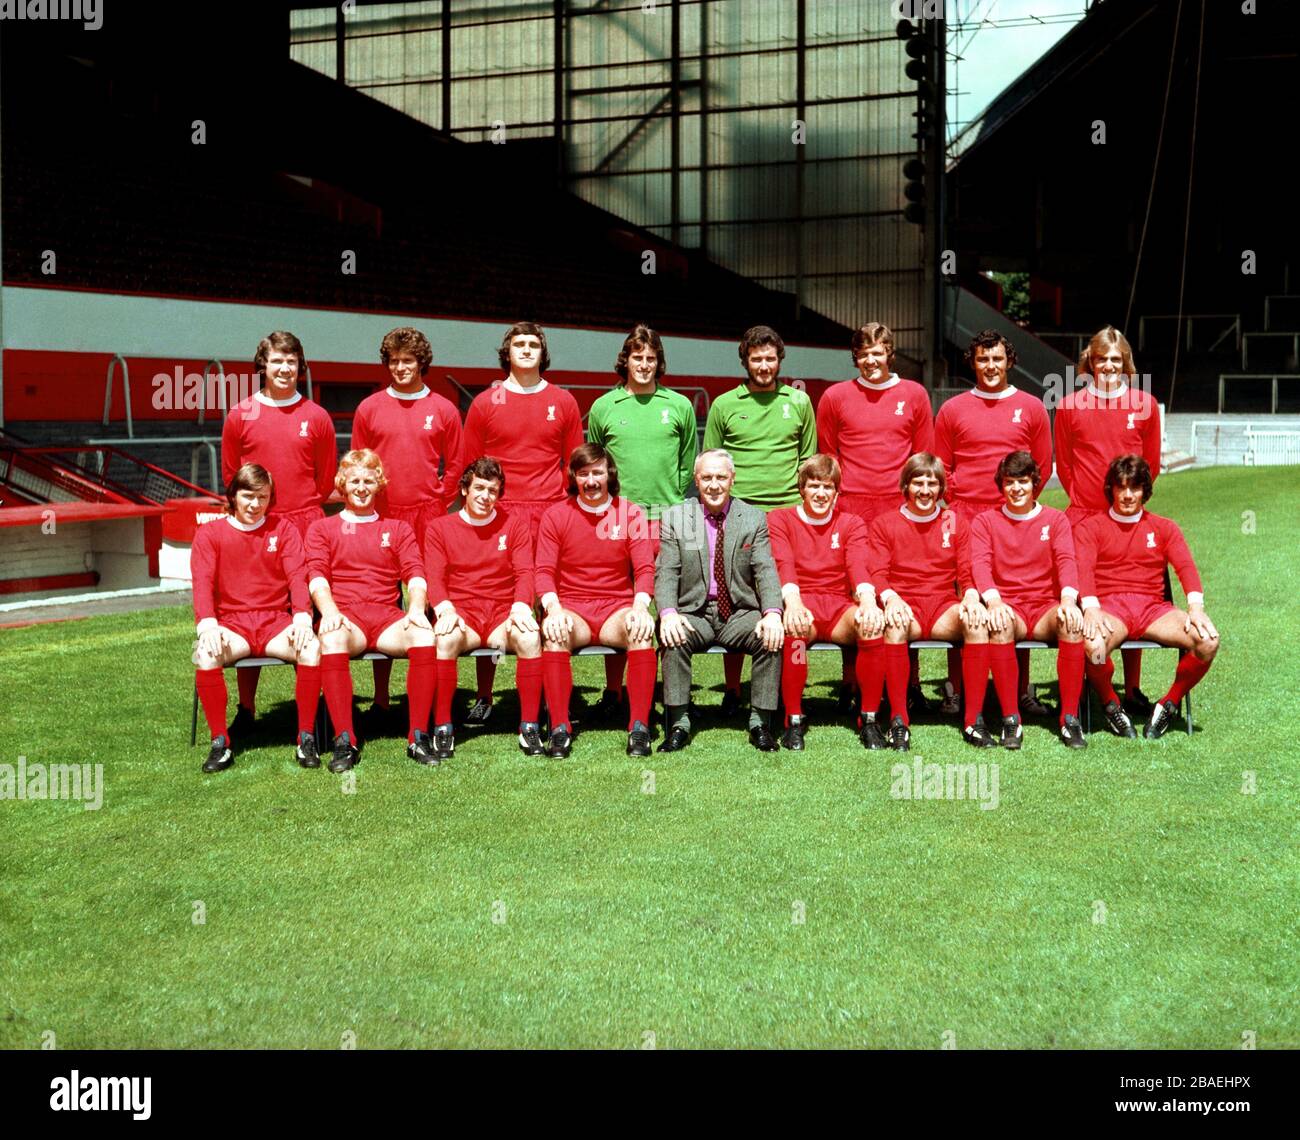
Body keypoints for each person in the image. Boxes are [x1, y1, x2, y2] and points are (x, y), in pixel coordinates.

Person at [457, 321, 583, 724]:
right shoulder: (485, 402)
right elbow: (470, 463)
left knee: (549, 600)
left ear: (542, 353)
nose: (526, 350)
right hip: (502, 513)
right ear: (507, 352)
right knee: (494, 599)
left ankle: (550, 692)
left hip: (548, 512)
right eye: (519, 344)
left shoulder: (562, 401)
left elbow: (574, 464)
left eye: (533, 344)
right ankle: (484, 694)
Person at [816, 321, 936, 713]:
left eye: (878, 352)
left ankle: (911, 682)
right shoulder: (835, 397)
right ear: (856, 357)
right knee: (856, 589)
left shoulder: (915, 395)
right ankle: (853, 682)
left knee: (904, 588)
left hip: (899, 509)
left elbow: (923, 458)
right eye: (864, 353)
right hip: (852, 506)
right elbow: (828, 456)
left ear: (890, 354)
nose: (871, 360)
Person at [220, 330, 337, 734]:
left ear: (300, 367)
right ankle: (247, 709)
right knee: (249, 607)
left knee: (311, 613)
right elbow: (232, 477)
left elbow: (325, 481)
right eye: (277, 361)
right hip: (257, 526)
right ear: (262, 366)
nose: (284, 369)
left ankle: (317, 704)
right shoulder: (241, 415)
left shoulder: (317, 417)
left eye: (291, 362)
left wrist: (299, 510)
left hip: (306, 523)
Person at [935, 329, 1053, 719]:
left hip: (1014, 518)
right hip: (966, 518)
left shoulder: (1032, 407)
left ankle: (1020, 690)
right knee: (965, 598)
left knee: (1015, 596)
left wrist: (1019, 504)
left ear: (1009, 361)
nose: (990, 366)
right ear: (973, 362)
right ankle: (957, 690)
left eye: (997, 359)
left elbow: (1042, 466)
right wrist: (957, 502)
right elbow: (942, 466)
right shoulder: (953, 409)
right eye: (983, 359)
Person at [701, 325, 817, 711]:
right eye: (757, 359)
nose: (764, 365)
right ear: (745, 361)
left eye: (770, 358)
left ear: (779, 360)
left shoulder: (799, 403)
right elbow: (712, 463)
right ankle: (734, 689)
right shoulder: (724, 404)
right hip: (739, 514)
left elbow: (808, 462)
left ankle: (783, 691)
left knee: (782, 599)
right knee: (736, 598)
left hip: (785, 514)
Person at [351, 326, 464, 717]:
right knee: (383, 598)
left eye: (408, 361)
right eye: (394, 361)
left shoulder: (444, 409)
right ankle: (381, 697)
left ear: (422, 364)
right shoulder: (369, 408)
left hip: (427, 516)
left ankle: (431, 692)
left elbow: (458, 464)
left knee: (431, 599)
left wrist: (439, 497)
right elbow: (359, 466)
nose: (401, 367)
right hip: (381, 515)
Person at [586, 323, 698, 713]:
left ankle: (671, 691)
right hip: (616, 519)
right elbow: (596, 465)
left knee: (673, 604)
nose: (645, 364)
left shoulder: (680, 405)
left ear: (659, 362)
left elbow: (687, 465)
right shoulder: (604, 407)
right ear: (626, 360)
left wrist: (669, 498)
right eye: (638, 357)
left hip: (672, 517)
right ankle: (614, 690)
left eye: (651, 358)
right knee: (619, 599)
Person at [1055, 325, 1164, 717]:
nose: (1109, 367)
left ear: (1126, 364)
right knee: (1090, 601)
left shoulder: (1145, 405)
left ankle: (1131, 688)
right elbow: (1065, 466)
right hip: (1084, 517)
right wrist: (1087, 502)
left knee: (1135, 593)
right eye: (1102, 359)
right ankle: (1092, 676)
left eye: (1116, 360)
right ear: (1090, 362)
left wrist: (1127, 505)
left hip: (1130, 516)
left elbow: (1150, 464)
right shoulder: (1068, 406)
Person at [305, 450, 435, 772]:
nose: (362, 487)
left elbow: (416, 573)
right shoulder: (323, 529)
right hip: (348, 617)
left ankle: (417, 735)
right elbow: (317, 577)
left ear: (379, 484)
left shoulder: (398, 528)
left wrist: (417, 608)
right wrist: (330, 612)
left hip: (386, 617)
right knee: (332, 638)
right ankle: (344, 740)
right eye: (354, 481)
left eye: (369, 480)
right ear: (342, 485)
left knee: (423, 633)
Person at [190, 464, 321, 773]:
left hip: (275, 622)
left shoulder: (283, 529)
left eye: (263, 497)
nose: (255, 504)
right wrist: (207, 624)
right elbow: (202, 583)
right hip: (232, 625)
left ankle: (306, 737)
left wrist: (302, 618)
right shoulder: (210, 534)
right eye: (248, 496)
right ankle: (220, 742)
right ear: (233, 496)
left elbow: (297, 578)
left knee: (311, 648)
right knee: (206, 652)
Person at [1077, 455, 1219, 739]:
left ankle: (1168, 704)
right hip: (1111, 608)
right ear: (1111, 489)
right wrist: (1090, 609)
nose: (1128, 495)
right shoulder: (1090, 527)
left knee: (1208, 640)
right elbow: (1083, 571)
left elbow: (1186, 567)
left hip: (1153, 609)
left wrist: (1196, 608)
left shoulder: (1165, 527)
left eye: (1135, 488)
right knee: (1092, 645)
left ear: (1145, 490)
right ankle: (1111, 704)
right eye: (1121, 487)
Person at [655, 449, 785, 753]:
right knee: (673, 637)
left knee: (771, 637)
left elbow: (765, 569)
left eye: (721, 477)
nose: (714, 485)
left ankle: (760, 723)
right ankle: (678, 722)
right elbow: (666, 572)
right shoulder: (677, 517)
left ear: (732, 479)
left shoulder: (752, 518)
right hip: (693, 611)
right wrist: (669, 612)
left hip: (738, 612)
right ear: (697, 481)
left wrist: (773, 612)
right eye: (707, 478)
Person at [534, 443, 658, 759]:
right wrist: (553, 608)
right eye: (584, 473)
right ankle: (560, 727)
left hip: (616, 606)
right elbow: (544, 570)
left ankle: (639, 727)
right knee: (555, 632)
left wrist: (640, 606)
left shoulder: (630, 513)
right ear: (574, 477)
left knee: (641, 631)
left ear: (609, 475)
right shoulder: (556, 515)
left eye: (598, 473)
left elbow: (644, 567)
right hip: (572, 607)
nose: (591, 481)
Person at [424, 457, 543, 760]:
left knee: (529, 638)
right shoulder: (439, 527)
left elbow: (525, 572)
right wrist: (445, 609)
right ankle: (443, 725)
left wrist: (520, 606)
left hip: (502, 611)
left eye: (492, 490)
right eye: (479, 487)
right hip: (463, 610)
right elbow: (434, 576)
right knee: (446, 639)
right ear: (465, 488)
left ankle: (529, 725)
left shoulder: (513, 525)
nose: (485, 496)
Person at [866, 452, 987, 751]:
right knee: (893, 625)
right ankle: (898, 721)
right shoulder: (884, 523)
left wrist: (971, 594)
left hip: (943, 604)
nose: (924, 490)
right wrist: (891, 599)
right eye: (917, 483)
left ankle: (974, 720)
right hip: (906, 605)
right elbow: (878, 573)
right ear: (905, 485)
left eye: (932, 484)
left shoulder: (954, 521)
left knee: (977, 622)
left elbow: (966, 571)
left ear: (941, 488)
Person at [968, 451, 1086, 749]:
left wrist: (1069, 601)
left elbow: (1067, 561)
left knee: (1071, 624)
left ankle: (1069, 719)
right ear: (1001, 485)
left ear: (1035, 483)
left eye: (1023, 481)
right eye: (1009, 482)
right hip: (1010, 605)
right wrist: (993, 602)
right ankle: (1011, 720)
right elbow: (980, 565)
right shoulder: (986, 521)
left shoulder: (1056, 519)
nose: (1016, 488)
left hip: (1045, 605)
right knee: (1000, 624)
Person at [766, 455, 883, 751]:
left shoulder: (851, 522)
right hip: (803, 603)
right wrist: (792, 603)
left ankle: (868, 717)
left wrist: (868, 601)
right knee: (794, 632)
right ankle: (793, 717)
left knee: (870, 625)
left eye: (828, 487)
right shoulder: (780, 519)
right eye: (814, 485)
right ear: (802, 488)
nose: (821, 493)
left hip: (838, 606)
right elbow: (784, 564)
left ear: (836, 493)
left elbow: (858, 565)